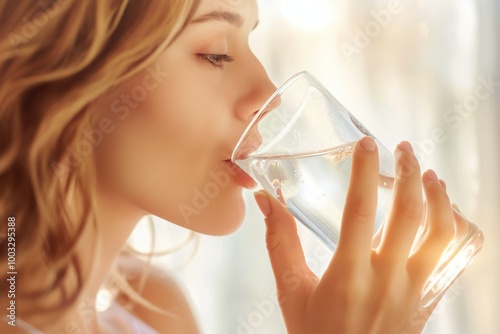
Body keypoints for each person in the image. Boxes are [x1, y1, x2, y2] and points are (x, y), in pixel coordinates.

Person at [0, 0, 456, 333]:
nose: (268, 94)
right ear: (66, 71)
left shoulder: (157, 312)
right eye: (214, 53)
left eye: (250, 40)